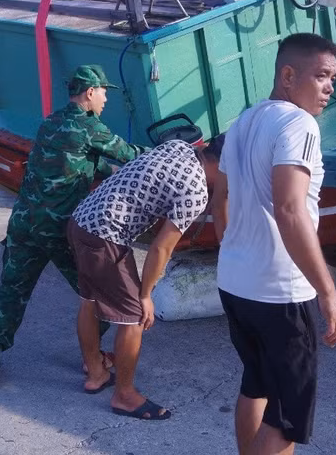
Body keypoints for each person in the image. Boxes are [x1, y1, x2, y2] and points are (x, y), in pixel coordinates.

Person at [211, 33, 336, 454]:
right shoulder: (298, 124)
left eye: (334, 78)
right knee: (288, 419)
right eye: (322, 76)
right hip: (279, 292)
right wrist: (329, 294)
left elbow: (222, 198)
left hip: (236, 282)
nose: (329, 87)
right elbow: (291, 210)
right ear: (288, 75)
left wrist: (235, 253)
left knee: (257, 384)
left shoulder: (246, 120)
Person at [0, 65, 147, 389]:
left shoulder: (50, 122)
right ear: (90, 92)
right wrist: (171, 155)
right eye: (104, 92)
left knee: (11, 292)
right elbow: (131, 156)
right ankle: (91, 359)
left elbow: (80, 162)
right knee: (97, 294)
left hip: (23, 222)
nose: (107, 98)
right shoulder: (90, 128)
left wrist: (103, 171)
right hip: (58, 230)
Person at [70, 135, 224, 421]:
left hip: (82, 220)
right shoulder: (196, 190)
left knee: (89, 300)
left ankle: (96, 372)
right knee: (134, 317)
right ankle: (124, 395)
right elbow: (161, 247)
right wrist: (146, 294)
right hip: (108, 237)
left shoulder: (179, 146)